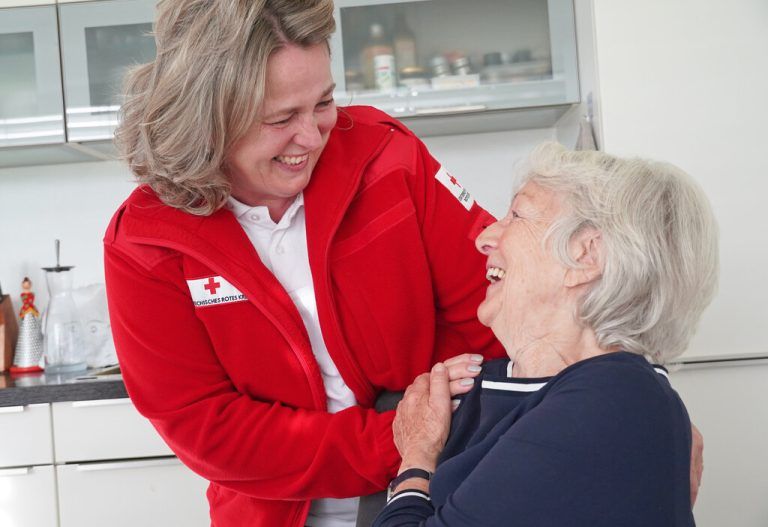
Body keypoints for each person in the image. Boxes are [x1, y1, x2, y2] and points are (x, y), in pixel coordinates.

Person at [104, 1, 503, 526]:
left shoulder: (388, 159)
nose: (312, 137)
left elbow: (503, 315)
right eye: (280, 118)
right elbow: (210, 430)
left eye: (323, 102)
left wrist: (435, 432)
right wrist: (401, 437)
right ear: (208, 116)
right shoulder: (146, 242)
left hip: (445, 493)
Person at [375, 143, 718, 526]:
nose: (484, 237)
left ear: (585, 256)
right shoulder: (586, 393)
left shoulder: (613, 400)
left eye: (517, 214)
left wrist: (417, 458)